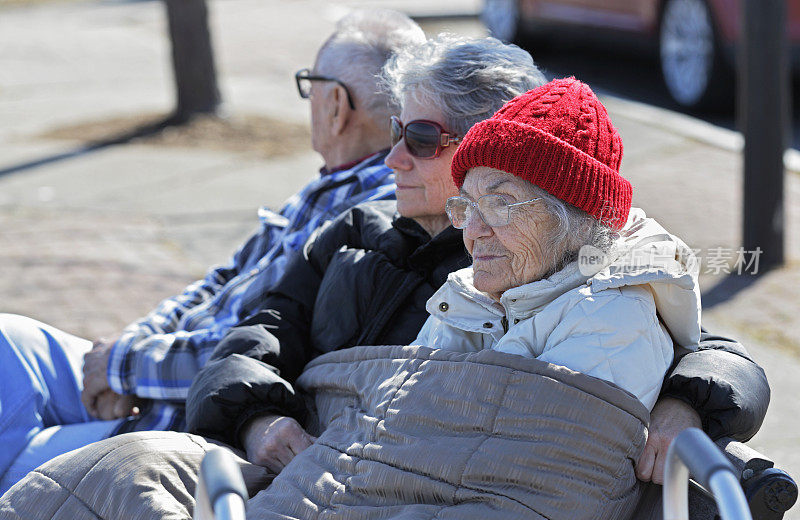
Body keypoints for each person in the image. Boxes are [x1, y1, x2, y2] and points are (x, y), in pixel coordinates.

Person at [185, 36, 768, 483]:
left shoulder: (520, 265)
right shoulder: (359, 228)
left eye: (418, 137)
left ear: (488, 144)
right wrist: (257, 418)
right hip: (310, 467)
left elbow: (690, 331)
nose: (391, 159)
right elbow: (254, 336)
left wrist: (686, 401)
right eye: (395, 131)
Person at [0, 9, 425, 494]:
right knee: (6, 341)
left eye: (310, 85)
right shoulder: (331, 179)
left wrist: (127, 368)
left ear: (335, 105)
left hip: (192, 412)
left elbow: (257, 342)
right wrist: (127, 351)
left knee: (20, 461)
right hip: (154, 372)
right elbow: (219, 280)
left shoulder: (372, 212)